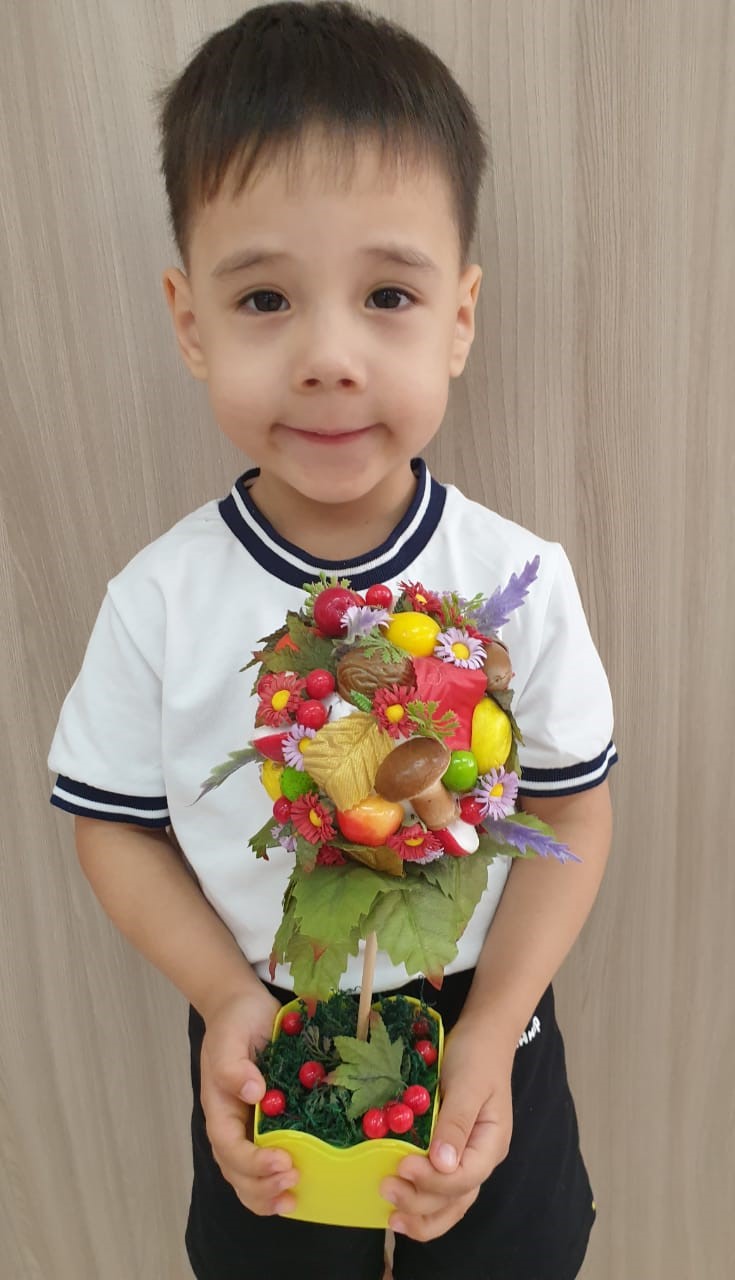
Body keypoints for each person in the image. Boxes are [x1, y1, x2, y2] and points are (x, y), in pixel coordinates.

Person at [47, 4, 616, 1278]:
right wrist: (224, 996)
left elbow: (572, 809)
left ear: (460, 316)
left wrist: (496, 1025)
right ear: (190, 320)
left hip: (487, 1015)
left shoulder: (518, 578)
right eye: (265, 297)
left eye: (388, 295)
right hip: (264, 1025)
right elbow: (112, 823)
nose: (329, 357)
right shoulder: (159, 600)